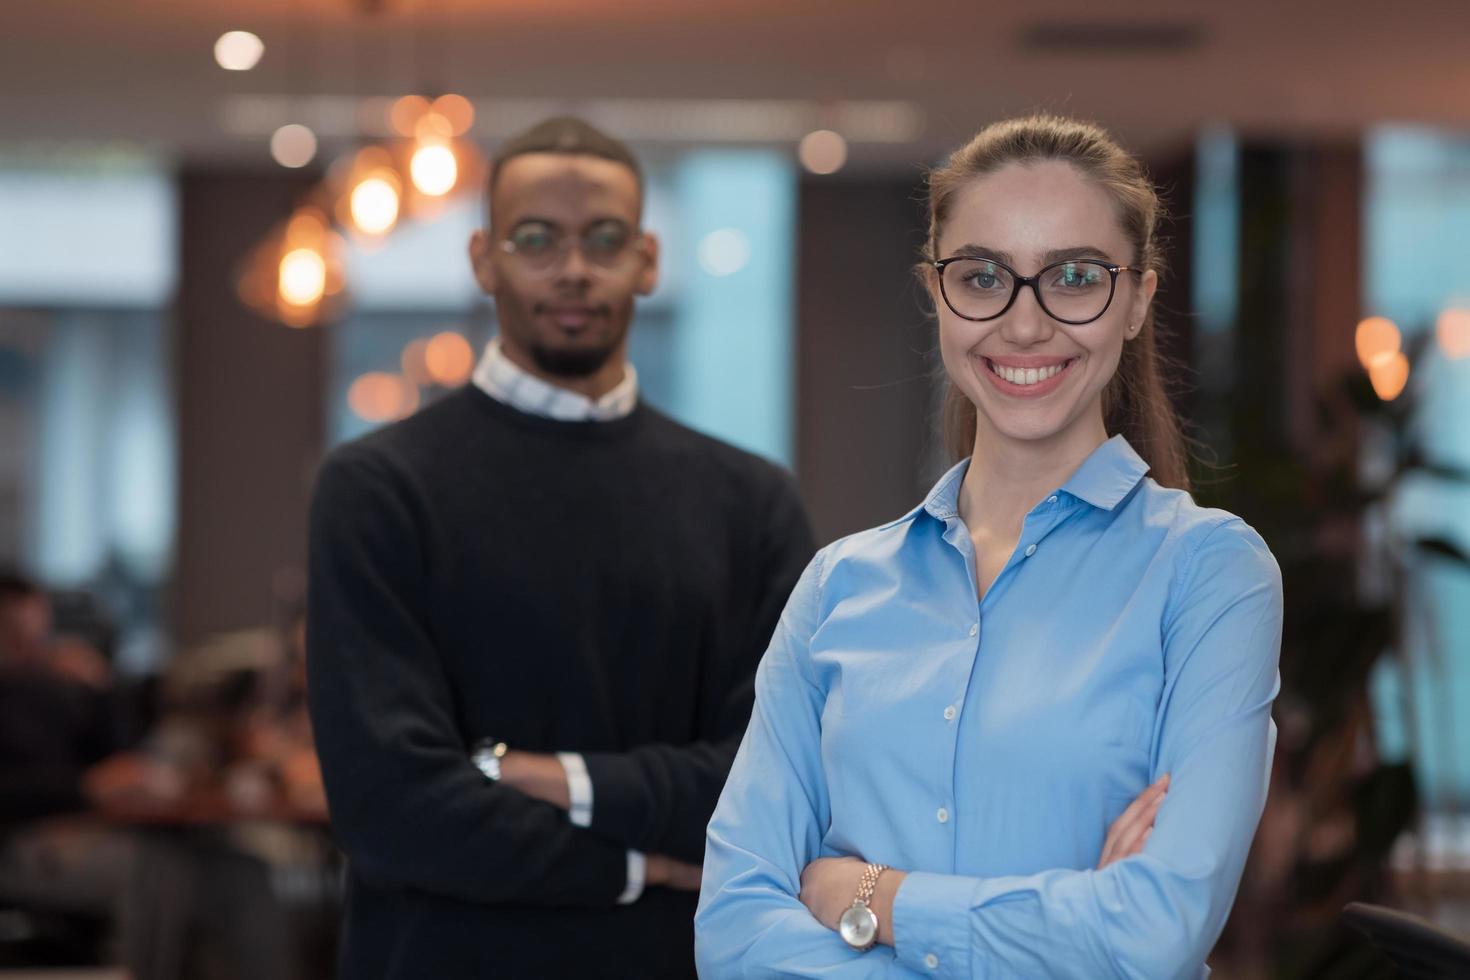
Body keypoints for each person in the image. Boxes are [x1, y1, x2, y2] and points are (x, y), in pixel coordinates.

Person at [695, 114, 1284, 978]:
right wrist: (1069, 927)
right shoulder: (837, 589)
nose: (1024, 323)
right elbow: (735, 937)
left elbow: (1158, 931)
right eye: (983, 276)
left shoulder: (1211, 574)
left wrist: (871, 897)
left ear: (1136, 302)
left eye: (1075, 277)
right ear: (937, 293)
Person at [307, 116, 815, 979]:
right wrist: (644, 865)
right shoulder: (378, 486)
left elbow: (779, 785)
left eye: (604, 239)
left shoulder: (751, 501)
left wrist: (541, 778)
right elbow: (390, 807)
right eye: (535, 239)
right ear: (482, 258)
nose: (573, 269)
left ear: (648, 259)